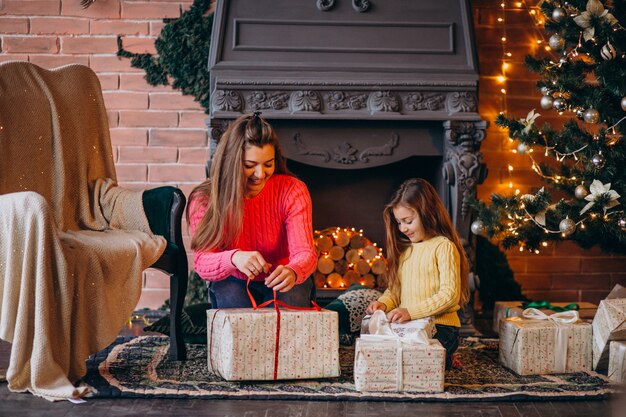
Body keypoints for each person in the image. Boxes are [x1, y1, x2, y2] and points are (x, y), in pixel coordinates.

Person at [187, 112, 317, 308]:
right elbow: (202, 262)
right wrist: (233, 258)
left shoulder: (292, 190)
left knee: (290, 299)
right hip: (233, 278)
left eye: (268, 164)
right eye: (250, 165)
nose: (260, 174)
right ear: (232, 162)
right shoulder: (205, 199)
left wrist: (293, 270)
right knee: (232, 298)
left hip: (282, 277)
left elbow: (305, 252)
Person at [366, 178, 469, 369]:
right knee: (382, 350)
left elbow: (450, 296)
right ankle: (440, 360)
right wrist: (384, 303)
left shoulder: (443, 247)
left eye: (408, 221)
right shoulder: (407, 251)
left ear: (428, 214)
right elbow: (395, 292)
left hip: (441, 328)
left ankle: (443, 358)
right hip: (410, 325)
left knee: (410, 359)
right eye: (399, 222)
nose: (403, 228)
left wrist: (411, 312)